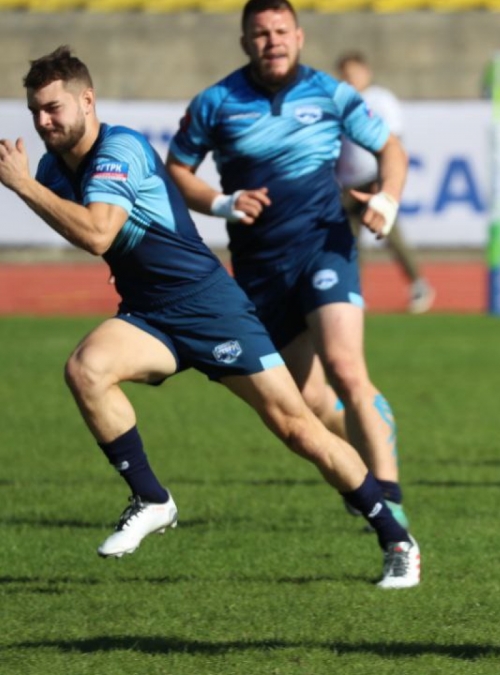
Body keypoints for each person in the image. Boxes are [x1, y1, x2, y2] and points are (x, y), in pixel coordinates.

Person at [0, 46, 418, 588]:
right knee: (86, 369)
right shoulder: (53, 169)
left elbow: (99, 234)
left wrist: (24, 187)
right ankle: (152, 499)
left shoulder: (118, 149)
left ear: (87, 101)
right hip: (150, 313)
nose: (42, 121)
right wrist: (35, 184)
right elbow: (86, 227)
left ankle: (396, 538)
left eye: (53, 108)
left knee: (298, 428)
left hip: (209, 306)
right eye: (35, 111)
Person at [165, 0, 411, 526]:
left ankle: (389, 501)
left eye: (281, 31)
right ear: (245, 43)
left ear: (299, 37)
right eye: (261, 33)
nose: (272, 41)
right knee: (308, 401)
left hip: (324, 246)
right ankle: (362, 463)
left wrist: (388, 199)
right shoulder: (215, 102)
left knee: (347, 369)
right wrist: (223, 203)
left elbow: (390, 149)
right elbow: (177, 169)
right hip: (260, 267)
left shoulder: (330, 92)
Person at [335, 51, 435, 315]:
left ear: (366, 72)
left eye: (354, 73)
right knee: (349, 241)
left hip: (373, 178)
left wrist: (384, 182)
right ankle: (354, 292)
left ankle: (418, 284)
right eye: (345, 74)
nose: (350, 79)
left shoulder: (380, 99)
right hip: (348, 182)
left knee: (390, 235)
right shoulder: (339, 101)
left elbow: (393, 141)